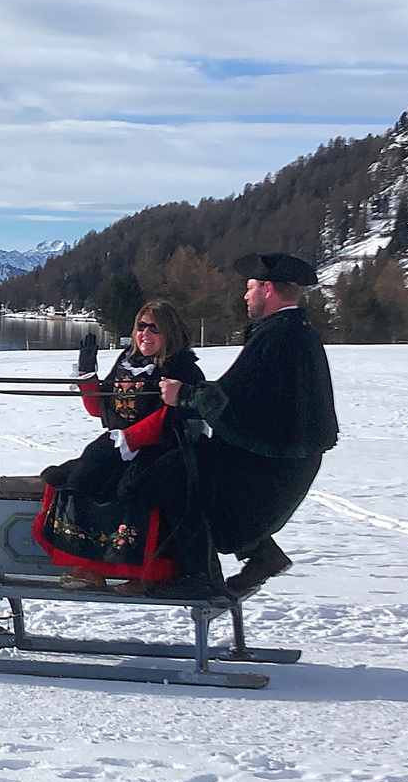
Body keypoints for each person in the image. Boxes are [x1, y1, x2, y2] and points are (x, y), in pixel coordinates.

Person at [143, 252, 340, 596]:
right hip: (279, 457)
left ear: (267, 289)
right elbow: (250, 397)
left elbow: (237, 398)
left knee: (172, 475)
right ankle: (260, 555)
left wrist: (185, 394)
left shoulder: (280, 335)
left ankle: (197, 578)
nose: (245, 296)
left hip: (271, 464)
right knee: (188, 474)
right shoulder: (293, 331)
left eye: (250, 288)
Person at [34, 299, 205, 593]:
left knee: (133, 487)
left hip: (162, 447)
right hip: (120, 443)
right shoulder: (127, 361)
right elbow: (101, 409)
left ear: (170, 334)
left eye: (155, 329)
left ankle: (147, 573)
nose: (145, 335)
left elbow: (169, 416)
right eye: (141, 327)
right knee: (72, 478)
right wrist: (88, 374)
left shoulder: (181, 368)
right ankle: (91, 567)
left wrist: (130, 440)